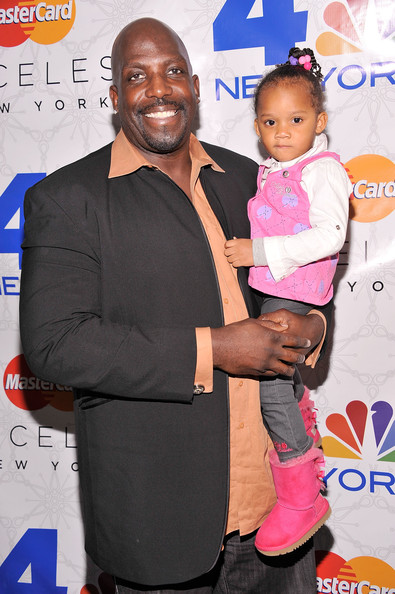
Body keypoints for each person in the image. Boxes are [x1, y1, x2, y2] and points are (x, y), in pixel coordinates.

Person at [20, 20, 331, 594]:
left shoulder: (250, 178)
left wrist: (313, 323)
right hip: (157, 526)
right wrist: (213, 347)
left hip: (274, 515)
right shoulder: (67, 199)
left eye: (172, 71)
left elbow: (295, 275)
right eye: (136, 76)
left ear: (193, 84)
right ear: (116, 99)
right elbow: (55, 345)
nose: (158, 89)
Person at [224, 47, 351, 557]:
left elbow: (329, 235)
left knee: (271, 387)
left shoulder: (322, 169)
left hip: (294, 291)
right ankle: (303, 440)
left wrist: (260, 251)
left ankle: (301, 495)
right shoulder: (273, 169)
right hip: (276, 288)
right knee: (281, 382)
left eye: (295, 119)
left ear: (318, 121)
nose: (282, 131)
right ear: (257, 126)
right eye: (271, 121)